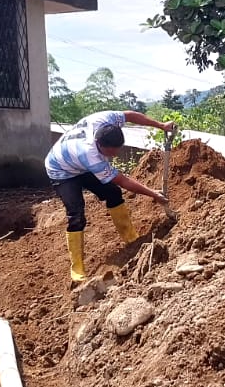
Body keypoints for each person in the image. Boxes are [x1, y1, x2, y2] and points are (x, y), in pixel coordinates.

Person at [46, 109, 177, 282]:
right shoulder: (90, 155)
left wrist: (160, 125)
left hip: (80, 165)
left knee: (113, 193)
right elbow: (122, 180)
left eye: (117, 150)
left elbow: (129, 115)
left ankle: (131, 238)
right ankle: (77, 268)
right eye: (111, 152)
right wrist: (153, 194)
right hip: (61, 171)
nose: (115, 155)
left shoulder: (105, 120)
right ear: (99, 144)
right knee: (76, 215)